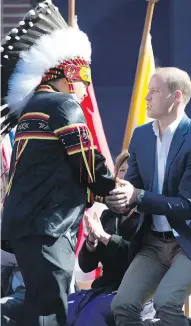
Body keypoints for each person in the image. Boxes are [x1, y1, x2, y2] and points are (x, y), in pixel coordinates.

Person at [1, 1, 115, 326]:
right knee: (51, 309)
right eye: (84, 77)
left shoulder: (30, 110)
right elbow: (87, 161)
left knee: (37, 304)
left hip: (23, 228)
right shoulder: (64, 105)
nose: (86, 88)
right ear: (67, 74)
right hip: (49, 228)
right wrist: (116, 191)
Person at [106, 67, 191, 326]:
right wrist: (116, 198)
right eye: (147, 90)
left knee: (166, 304)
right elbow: (132, 186)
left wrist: (138, 195)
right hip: (152, 243)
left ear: (176, 96)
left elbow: (188, 206)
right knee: (122, 306)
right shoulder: (141, 136)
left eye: (155, 91)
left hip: (190, 242)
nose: (147, 96)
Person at [66, 150, 155, 326]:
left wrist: (105, 237)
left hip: (138, 295)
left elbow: (138, 258)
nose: (125, 176)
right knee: (63, 308)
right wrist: (92, 241)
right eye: (121, 171)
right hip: (103, 290)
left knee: (93, 313)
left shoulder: (151, 217)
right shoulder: (108, 215)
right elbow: (86, 266)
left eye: (131, 171)